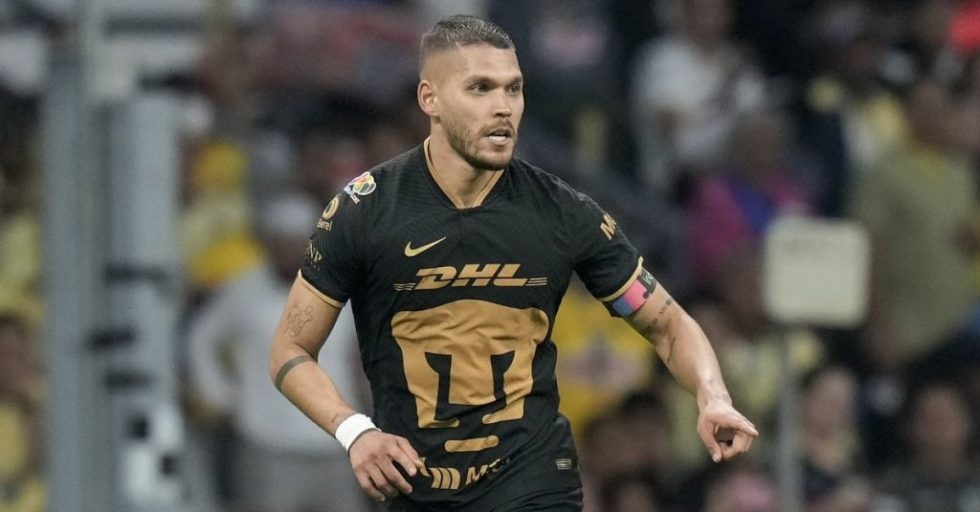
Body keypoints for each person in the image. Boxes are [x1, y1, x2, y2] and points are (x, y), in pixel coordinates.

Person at [268, 15, 757, 511]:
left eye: (513, 89)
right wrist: (355, 431)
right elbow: (290, 351)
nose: (502, 107)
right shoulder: (364, 210)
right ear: (430, 99)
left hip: (534, 481)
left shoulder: (563, 213)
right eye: (480, 88)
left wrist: (712, 395)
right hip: (419, 488)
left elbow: (668, 324)